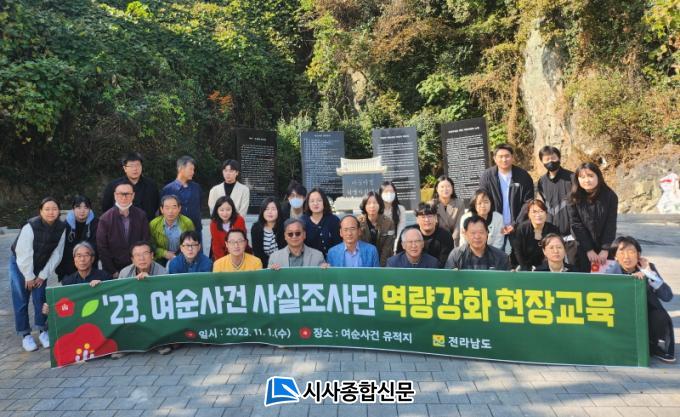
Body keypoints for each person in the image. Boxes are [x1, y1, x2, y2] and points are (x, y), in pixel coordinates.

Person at [605, 236, 675, 363]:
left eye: (631, 252)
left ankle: (654, 346)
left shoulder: (648, 269)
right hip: (622, 316)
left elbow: (667, 296)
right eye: (622, 252)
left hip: (646, 315)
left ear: (638, 255)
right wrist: (631, 281)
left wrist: (648, 274)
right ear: (615, 256)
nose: (627, 257)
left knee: (660, 315)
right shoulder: (610, 273)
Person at [9, 197, 66, 352]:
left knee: (40, 299)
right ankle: (25, 335)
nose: (51, 212)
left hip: (41, 266)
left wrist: (42, 275)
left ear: (59, 211)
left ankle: (43, 331)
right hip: (20, 264)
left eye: (54, 209)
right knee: (21, 300)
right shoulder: (30, 226)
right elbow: (23, 253)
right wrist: (28, 276)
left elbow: (57, 254)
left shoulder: (62, 227)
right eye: (47, 209)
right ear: (40, 211)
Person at [116, 241, 170, 357]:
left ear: (152, 255)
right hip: (132, 308)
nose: (142, 258)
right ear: (132, 259)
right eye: (137, 255)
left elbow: (165, 297)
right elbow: (119, 295)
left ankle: (160, 343)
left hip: (154, 308)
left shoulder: (162, 271)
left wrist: (150, 282)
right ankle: (125, 345)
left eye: (145, 253)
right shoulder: (124, 273)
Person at [479, 143, 534, 252]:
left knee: (518, 256)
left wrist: (515, 224)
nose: (504, 159)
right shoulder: (487, 176)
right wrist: (493, 222)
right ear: (495, 158)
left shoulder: (523, 176)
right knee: (495, 256)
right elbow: (482, 200)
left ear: (512, 157)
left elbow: (528, 202)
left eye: (507, 156)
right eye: (500, 156)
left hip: (518, 226)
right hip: (494, 226)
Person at [568, 162, 618, 272]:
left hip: (604, 248)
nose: (586, 180)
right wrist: (589, 249)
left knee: (604, 277)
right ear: (577, 179)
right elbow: (576, 224)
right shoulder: (573, 197)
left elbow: (610, 223)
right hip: (582, 246)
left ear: (598, 176)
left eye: (590, 176)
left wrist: (605, 249)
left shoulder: (610, 196)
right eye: (582, 177)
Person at [97, 182, 150, 277]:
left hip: (138, 269)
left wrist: (140, 268)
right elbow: (102, 248)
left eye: (127, 194)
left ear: (133, 195)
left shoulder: (141, 216)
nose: (124, 197)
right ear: (115, 195)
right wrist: (113, 271)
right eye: (121, 194)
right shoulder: (105, 219)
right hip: (114, 270)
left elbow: (145, 241)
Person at [536, 146, 578, 265]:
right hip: (551, 236)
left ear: (559, 158)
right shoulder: (542, 181)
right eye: (547, 159)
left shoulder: (572, 177)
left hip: (571, 236)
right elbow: (544, 204)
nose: (550, 161)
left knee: (573, 266)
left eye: (553, 158)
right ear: (542, 161)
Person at [101, 152, 160, 221]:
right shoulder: (114, 185)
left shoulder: (151, 185)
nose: (135, 169)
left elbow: (155, 206)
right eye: (131, 166)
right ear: (125, 168)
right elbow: (106, 207)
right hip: (121, 225)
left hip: (146, 224)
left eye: (138, 165)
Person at [395, 203, 454, 268]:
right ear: (417, 219)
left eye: (429, 216)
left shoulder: (445, 236)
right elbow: (399, 255)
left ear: (436, 218)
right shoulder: (408, 232)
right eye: (423, 217)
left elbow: (445, 262)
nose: (426, 220)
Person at [56, 195, 99, 281]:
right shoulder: (64, 226)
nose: (82, 211)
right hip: (68, 271)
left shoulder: (97, 224)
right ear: (73, 209)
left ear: (90, 209)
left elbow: (97, 247)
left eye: (86, 208)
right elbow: (60, 250)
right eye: (78, 207)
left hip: (90, 268)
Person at [445, 215, 511, 270]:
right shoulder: (456, 256)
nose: (477, 236)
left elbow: (506, 280)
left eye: (481, 232)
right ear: (465, 234)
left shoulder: (501, 257)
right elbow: (447, 279)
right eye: (473, 233)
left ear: (487, 233)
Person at [511, 199, 560, 270]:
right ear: (529, 214)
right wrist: (525, 269)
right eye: (534, 212)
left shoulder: (553, 230)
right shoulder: (522, 229)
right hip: (522, 266)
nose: (538, 215)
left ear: (546, 213)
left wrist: (542, 268)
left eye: (541, 211)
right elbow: (517, 252)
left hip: (546, 268)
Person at [161, 156, 203, 237]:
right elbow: (163, 212)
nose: (193, 172)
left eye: (193, 170)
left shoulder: (196, 187)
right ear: (180, 168)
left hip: (196, 231)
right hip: (175, 233)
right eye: (190, 169)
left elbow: (199, 206)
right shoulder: (168, 189)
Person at [149, 195, 195, 266]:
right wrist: (164, 253)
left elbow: (192, 243)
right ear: (161, 209)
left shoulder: (187, 223)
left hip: (183, 255)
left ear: (179, 208)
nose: (170, 211)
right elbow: (151, 245)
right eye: (167, 208)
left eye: (174, 207)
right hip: (160, 257)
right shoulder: (154, 224)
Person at [357, 191, 395, 266]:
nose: (372, 206)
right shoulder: (358, 222)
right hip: (363, 261)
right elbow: (358, 245)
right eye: (369, 203)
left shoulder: (388, 223)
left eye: (375, 203)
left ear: (380, 205)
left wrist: (380, 267)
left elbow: (387, 248)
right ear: (364, 205)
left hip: (383, 260)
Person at [301, 188, 341, 256]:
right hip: (309, 260)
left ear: (324, 202)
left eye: (319, 200)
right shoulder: (302, 221)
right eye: (312, 201)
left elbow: (338, 244)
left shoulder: (334, 220)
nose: (315, 203)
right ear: (308, 203)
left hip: (331, 259)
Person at [209, 196, 247, 261]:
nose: (225, 213)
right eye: (221, 210)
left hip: (239, 253)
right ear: (217, 211)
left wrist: (236, 259)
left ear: (232, 209)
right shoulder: (213, 224)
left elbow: (242, 242)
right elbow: (216, 246)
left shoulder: (239, 220)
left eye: (228, 210)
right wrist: (223, 262)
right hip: (221, 256)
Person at [251, 197, 285, 267]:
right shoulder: (256, 228)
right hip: (264, 266)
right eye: (266, 209)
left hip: (283, 265)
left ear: (278, 211)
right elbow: (257, 253)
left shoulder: (284, 227)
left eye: (273, 209)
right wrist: (269, 265)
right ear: (262, 211)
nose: (270, 212)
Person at [432, 176, 466, 246]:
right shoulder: (431, 205)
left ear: (452, 188)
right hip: (437, 241)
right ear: (437, 189)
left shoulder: (459, 204)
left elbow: (459, 226)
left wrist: (452, 241)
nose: (445, 189)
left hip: (455, 240)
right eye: (442, 187)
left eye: (448, 186)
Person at [379, 181, 406, 249]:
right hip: (379, 242)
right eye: (386, 191)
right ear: (381, 193)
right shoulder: (377, 209)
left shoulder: (400, 209)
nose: (389, 194)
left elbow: (401, 229)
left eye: (392, 191)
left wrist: (396, 244)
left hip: (394, 242)